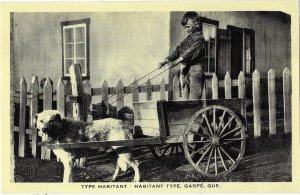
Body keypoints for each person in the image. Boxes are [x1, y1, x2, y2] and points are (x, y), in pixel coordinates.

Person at [158, 11, 205, 99]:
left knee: (194, 99)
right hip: (186, 70)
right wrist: (165, 61)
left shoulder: (200, 39)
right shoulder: (188, 39)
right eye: (185, 27)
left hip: (196, 70)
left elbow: (189, 52)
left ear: (197, 24)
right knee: (184, 97)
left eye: (188, 27)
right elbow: (178, 50)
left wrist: (175, 62)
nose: (186, 30)